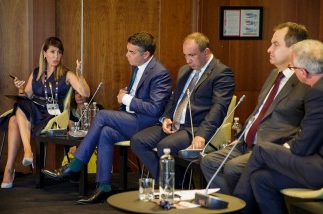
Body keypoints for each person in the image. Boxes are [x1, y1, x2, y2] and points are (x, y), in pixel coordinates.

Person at [211, 39, 323, 214]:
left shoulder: (318, 92)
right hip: (315, 162)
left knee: (262, 150)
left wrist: (284, 150)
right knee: (260, 178)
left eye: (294, 67)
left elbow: (304, 146)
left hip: (318, 168)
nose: (294, 71)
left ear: (304, 73)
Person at [42, 32, 172, 203]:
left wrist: (127, 99)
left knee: (102, 115)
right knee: (106, 132)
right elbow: (137, 97)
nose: (127, 55)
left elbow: (155, 109)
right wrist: (127, 95)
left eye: (131, 52)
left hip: (147, 124)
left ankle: (74, 166)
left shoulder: (160, 73)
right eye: (127, 50)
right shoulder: (138, 67)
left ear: (145, 54)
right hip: (132, 118)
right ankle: (103, 187)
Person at [200, 22, 310, 194]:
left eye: (275, 44)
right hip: (246, 142)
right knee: (208, 162)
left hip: (271, 147)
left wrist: (286, 148)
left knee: (232, 168)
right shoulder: (274, 74)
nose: (269, 49)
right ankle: (232, 211)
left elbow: (308, 126)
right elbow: (259, 111)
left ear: (293, 49)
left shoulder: (305, 82)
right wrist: (243, 134)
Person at [130, 32, 235, 185]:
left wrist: (201, 135)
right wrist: (166, 117)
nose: (187, 60)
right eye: (185, 55)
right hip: (175, 124)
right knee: (138, 141)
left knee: (165, 147)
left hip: (194, 127)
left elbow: (218, 109)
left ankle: (175, 185)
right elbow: (175, 98)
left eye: (192, 55)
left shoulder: (222, 73)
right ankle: (169, 182)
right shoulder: (185, 70)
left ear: (206, 52)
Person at [0, 37, 90, 188]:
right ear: (44, 53)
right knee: (19, 108)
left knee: (14, 120)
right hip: (36, 110)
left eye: (59, 53)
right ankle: (22, 156)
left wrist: (79, 75)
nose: (56, 56)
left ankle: (15, 164)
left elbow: (85, 92)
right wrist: (20, 88)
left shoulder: (67, 74)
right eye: (52, 52)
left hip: (54, 115)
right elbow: (25, 97)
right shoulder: (36, 73)